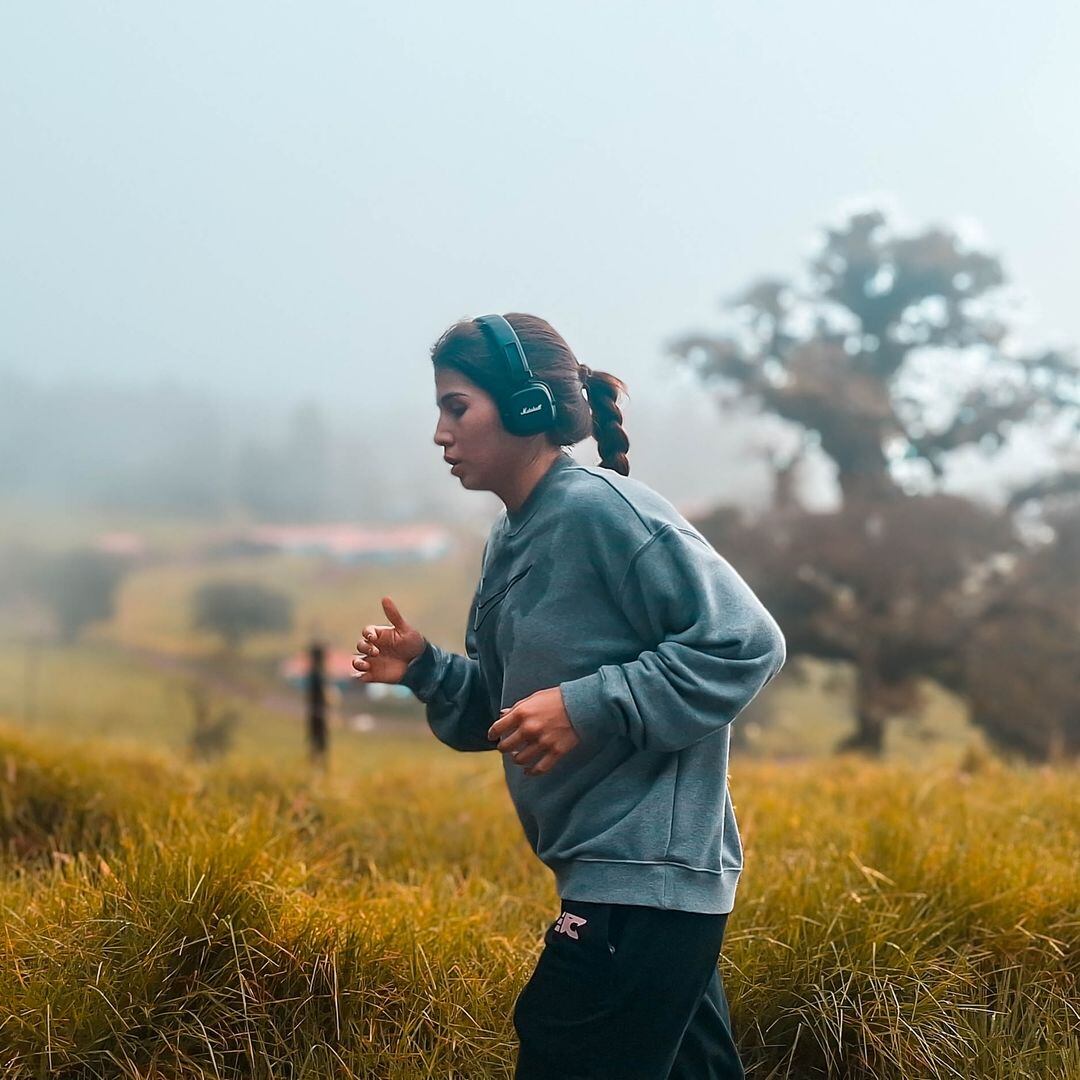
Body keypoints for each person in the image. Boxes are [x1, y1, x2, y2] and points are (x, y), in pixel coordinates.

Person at [352, 313, 786, 1079]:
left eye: (457, 407)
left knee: (560, 1043)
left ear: (525, 408)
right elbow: (503, 709)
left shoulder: (602, 510)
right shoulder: (514, 537)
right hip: (625, 880)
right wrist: (425, 668)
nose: (439, 433)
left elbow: (746, 642)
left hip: (646, 874)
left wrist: (586, 706)